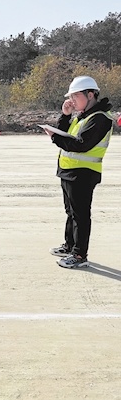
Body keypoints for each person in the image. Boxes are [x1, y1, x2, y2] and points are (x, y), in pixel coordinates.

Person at [44, 76, 114, 269]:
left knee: (80, 215)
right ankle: (70, 246)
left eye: (76, 96)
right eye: (71, 97)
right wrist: (65, 115)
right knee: (71, 212)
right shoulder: (83, 116)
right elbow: (66, 134)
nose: (72, 100)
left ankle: (79, 255)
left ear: (90, 95)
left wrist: (55, 138)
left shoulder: (100, 118)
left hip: (83, 173)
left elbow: (81, 145)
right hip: (69, 171)